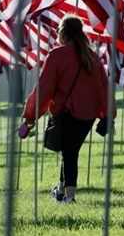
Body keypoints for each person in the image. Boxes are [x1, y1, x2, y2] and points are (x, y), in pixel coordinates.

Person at [20, 14, 113, 204]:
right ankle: (61, 191)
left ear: (62, 33)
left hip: (68, 112)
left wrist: (30, 118)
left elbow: (43, 90)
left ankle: (70, 197)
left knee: (70, 153)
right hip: (89, 116)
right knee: (70, 151)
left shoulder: (57, 56)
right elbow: (105, 88)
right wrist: (108, 115)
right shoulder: (93, 57)